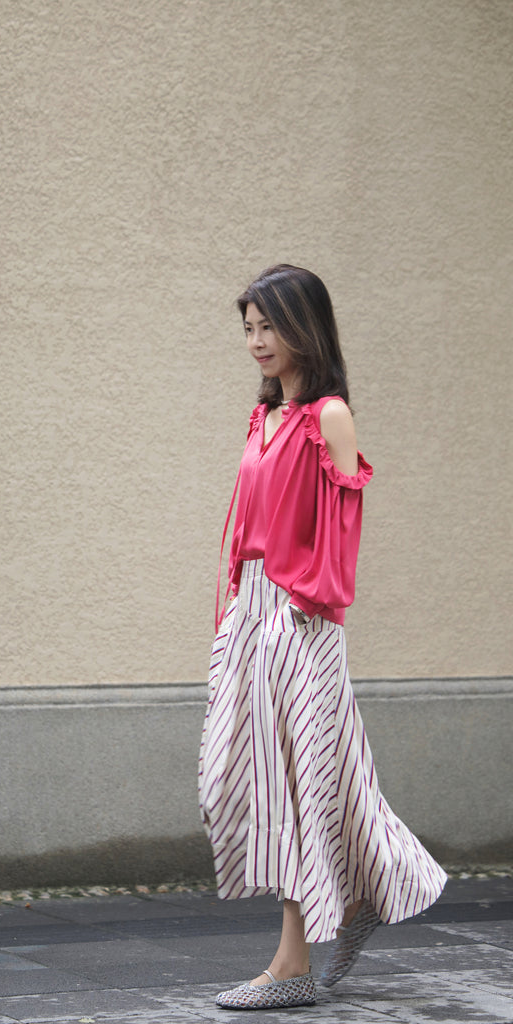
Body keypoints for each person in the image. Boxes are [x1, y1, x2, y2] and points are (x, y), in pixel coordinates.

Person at [198, 265, 446, 1011]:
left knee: (302, 784)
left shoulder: (328, 417)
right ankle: (375, 887)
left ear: (304, 326)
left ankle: (292, 965)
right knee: (239, 774)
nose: (256, 341)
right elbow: (248, 524)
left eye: (269, 326)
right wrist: (238, 609)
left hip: (301, 618)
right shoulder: (263, 418)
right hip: (253, 612)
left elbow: (341, 531)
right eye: (248, 328)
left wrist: (305, 608)